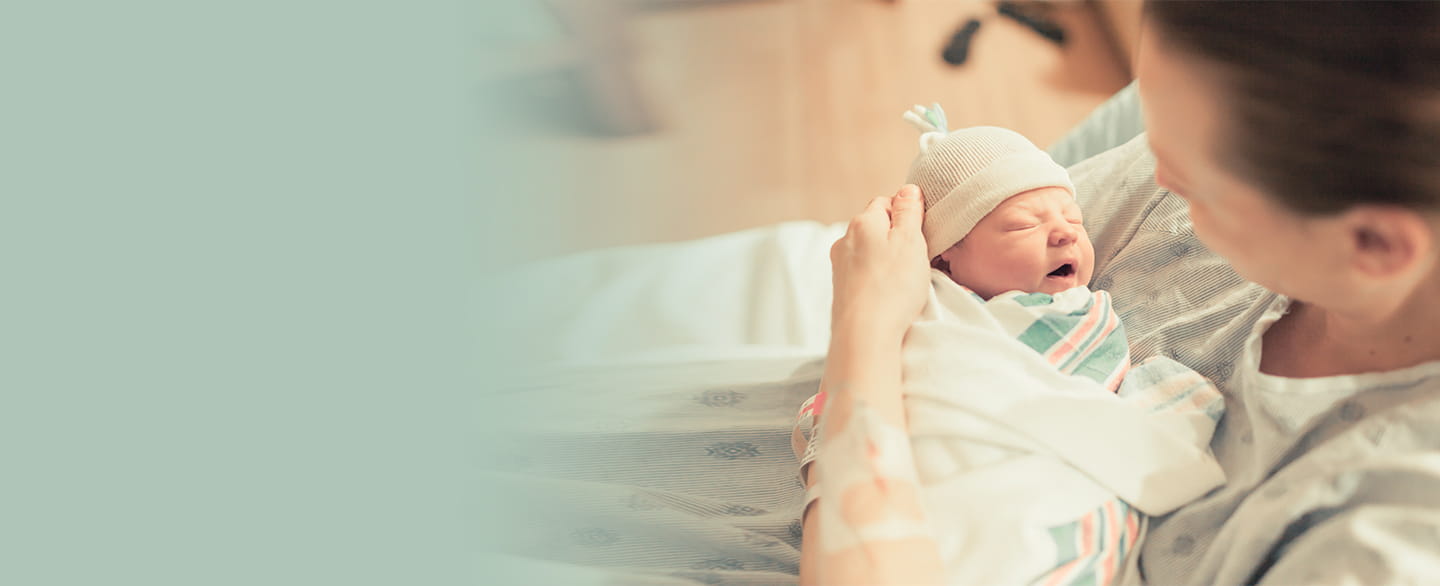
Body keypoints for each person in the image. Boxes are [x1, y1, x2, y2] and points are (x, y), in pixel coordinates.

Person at [805, 2, 1440, 585]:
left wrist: (863, 326)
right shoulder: (1220, 132)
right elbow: (972, 257)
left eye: (1193, 179)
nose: (1156, 173)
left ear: (1375, 247)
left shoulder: (1377, 535)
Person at [792, 105, 1225, 584]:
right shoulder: (934, 315)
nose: (1065, 232)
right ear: (945, 262)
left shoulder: (1077, 315)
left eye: (1075, 219)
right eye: (1022, 225)